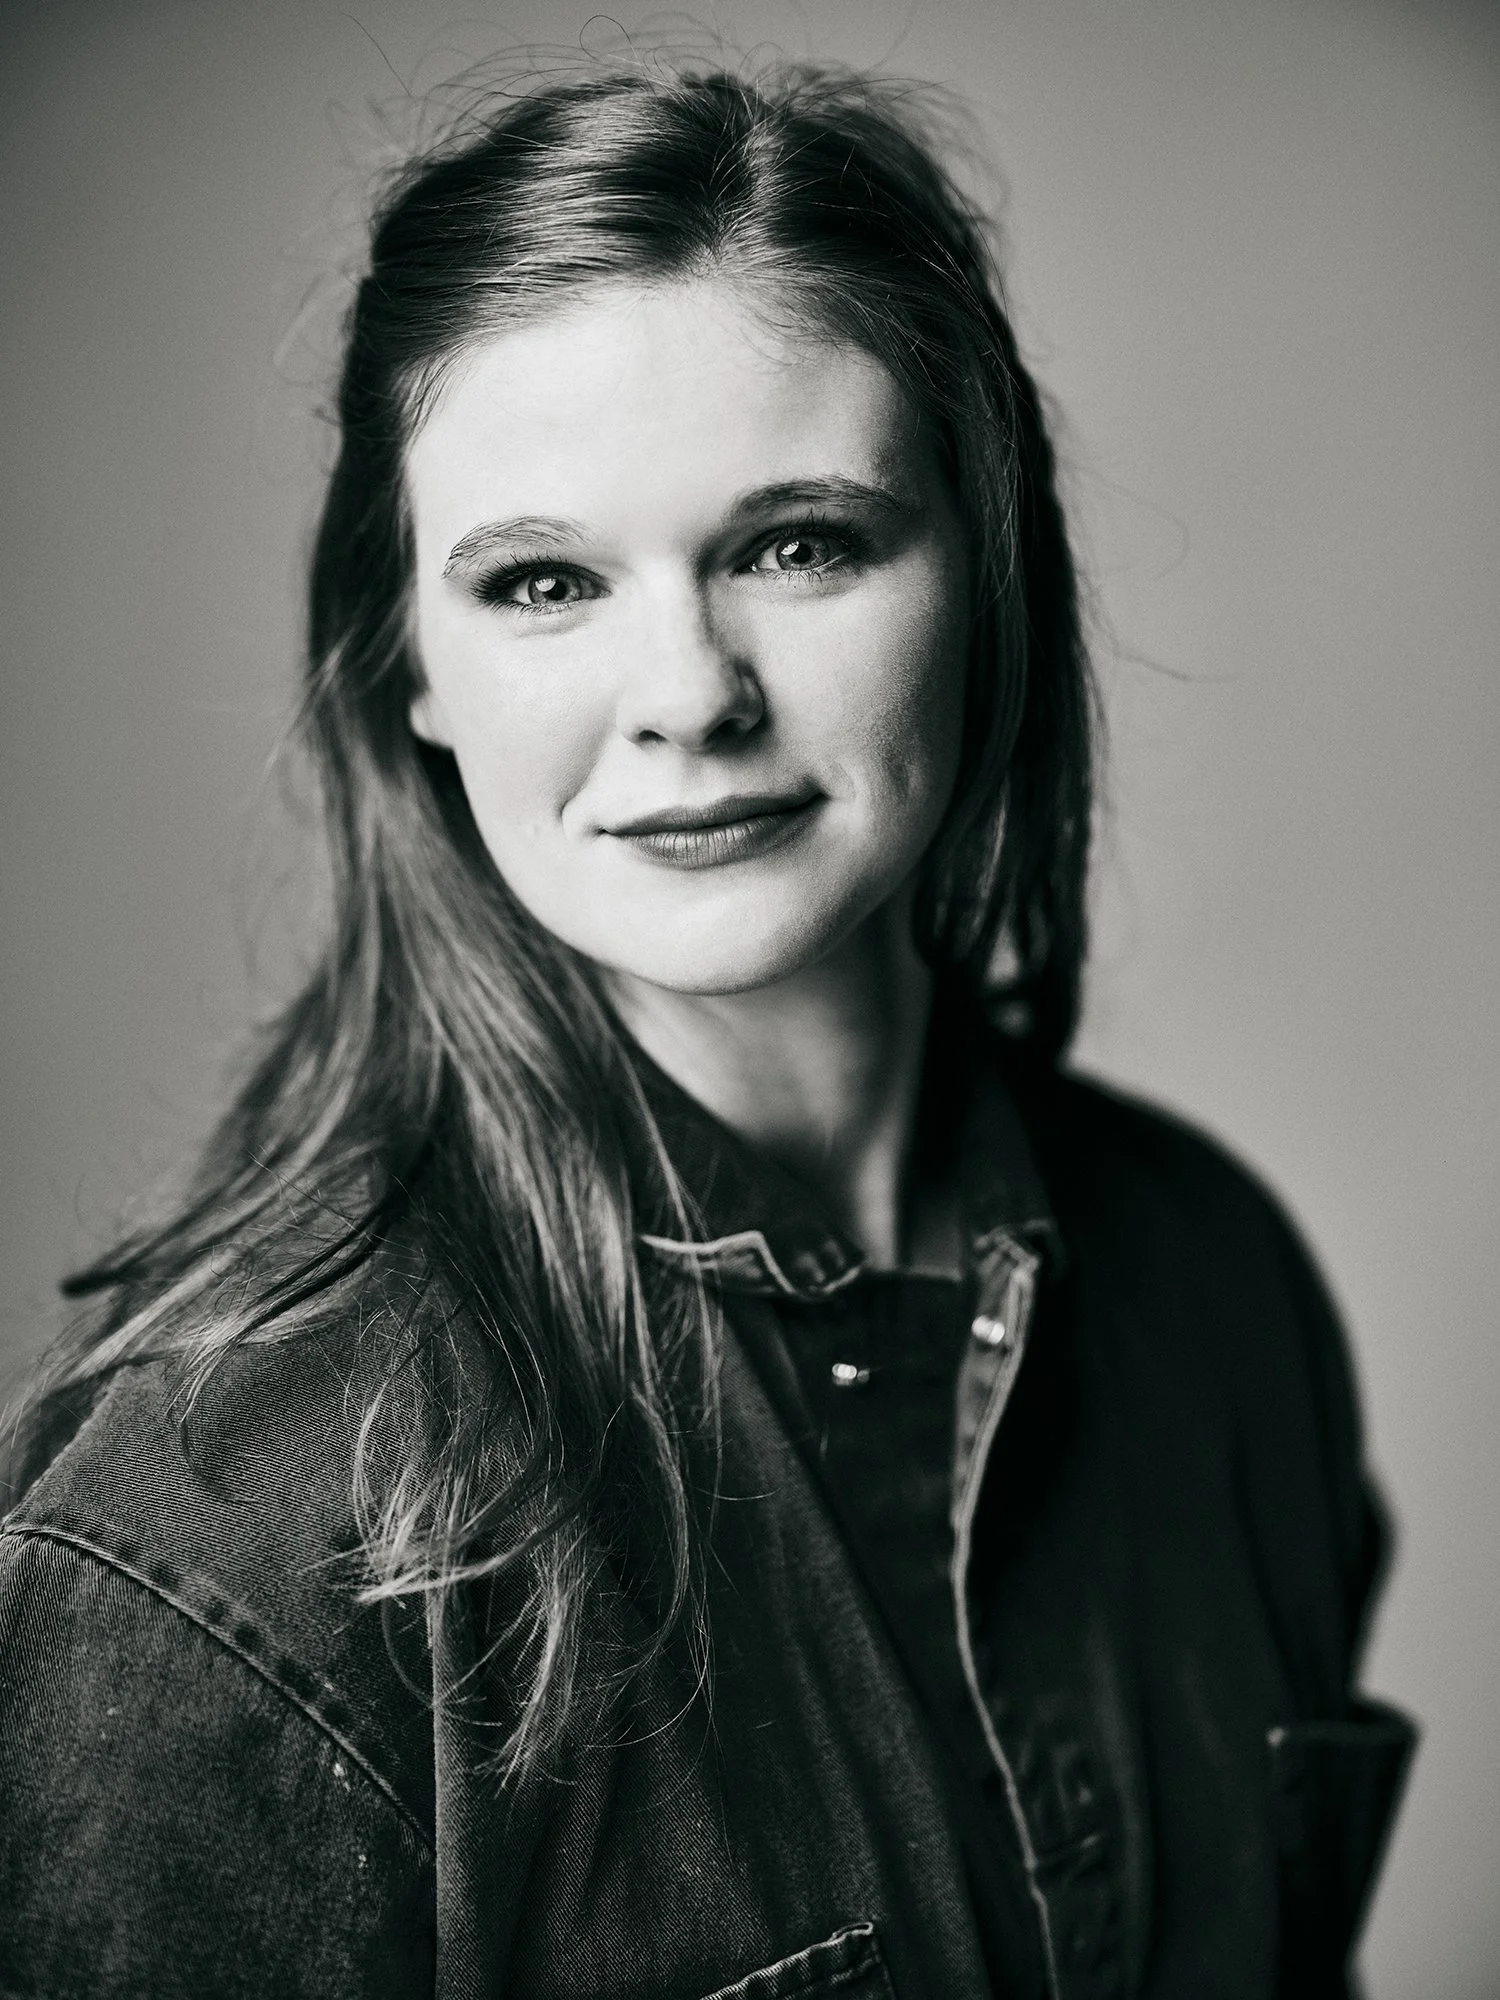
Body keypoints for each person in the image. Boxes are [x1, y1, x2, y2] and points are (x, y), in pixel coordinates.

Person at [0, 61, 1413, 2000]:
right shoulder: (236, 1515)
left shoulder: (1216, 1290)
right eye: (544, 581)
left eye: (796, 543)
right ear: (410, 667)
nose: (687, 692)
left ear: (985, 570)